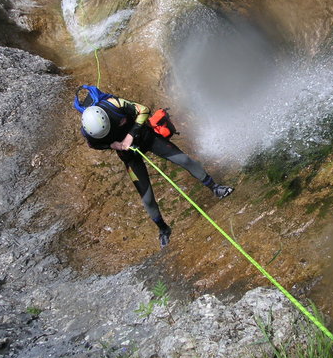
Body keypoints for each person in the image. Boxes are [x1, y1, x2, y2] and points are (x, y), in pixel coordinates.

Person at [78, 88, 234, 248]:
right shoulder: (89, 132)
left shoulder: (112, 105)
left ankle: (215, 188)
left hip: (147, 137)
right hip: (129, 155)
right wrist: (112, 144)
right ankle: (163, 229)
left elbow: (143, 110)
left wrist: (130, 135)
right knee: (147, 198)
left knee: (184, 160)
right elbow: (94, 145)